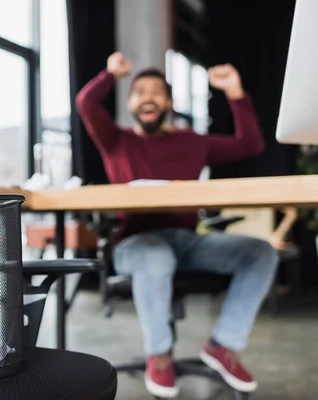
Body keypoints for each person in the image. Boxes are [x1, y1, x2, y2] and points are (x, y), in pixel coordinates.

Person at [75, 52, 279, 398]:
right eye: (140, 92)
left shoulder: (191, 141)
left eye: (157, 92)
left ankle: (223, 345)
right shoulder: (116, 141)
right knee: (155, 256)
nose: (148, 97)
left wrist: (235, 93)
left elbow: (251, 144)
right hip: (136, 244)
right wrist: (111, 74)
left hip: (188, 241)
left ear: (168, 102)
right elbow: (86, 103)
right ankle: (160, 353)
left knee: (259, 252)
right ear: (130, 103)